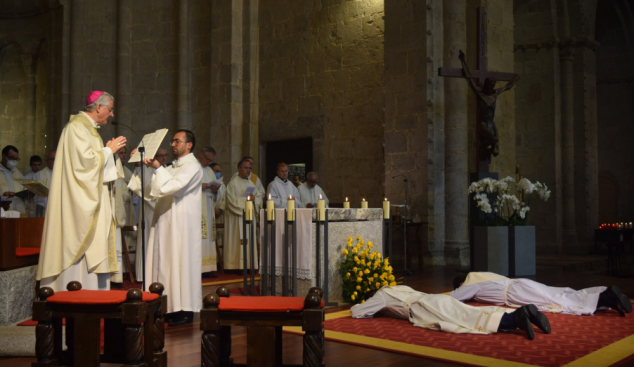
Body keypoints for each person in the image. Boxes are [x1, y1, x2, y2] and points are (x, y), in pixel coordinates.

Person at [37, 91, 127, 292]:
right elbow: (84, 164)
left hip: (93, 198)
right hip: (78, 203)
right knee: (78, 243)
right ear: (98, 107)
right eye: (110, 110)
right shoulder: (77, 128)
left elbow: (95, 163)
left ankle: (93, 294)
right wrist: (108, 151)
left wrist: (108, 153)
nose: (111, 115)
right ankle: (75, 294)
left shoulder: (90, 130)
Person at [131, 130, 202, 326]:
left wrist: (157, 168)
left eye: (177, 141)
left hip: (181, 226)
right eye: (172, 141)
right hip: (165, 221)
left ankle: (184, 309)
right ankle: (166, 305)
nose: (173, 144)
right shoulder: (172, 166)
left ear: (189, 145)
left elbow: (173, 187)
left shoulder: (193, 166)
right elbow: (153, 191)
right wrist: (142, 166)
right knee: (165, 263)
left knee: (180, 263)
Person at [351, 285, 551, 340]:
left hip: (423, 308)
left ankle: (515, 319)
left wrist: (368, 305)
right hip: (436, 298)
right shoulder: (398, 287)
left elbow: (358, 312)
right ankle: (522, 312)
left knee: (467, 320)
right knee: (468, 312)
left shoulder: (382, 295)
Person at [450, 272, 633, 316]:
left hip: (516, 292)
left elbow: (455, 297)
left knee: (555, 301)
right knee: (560, 293)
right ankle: (605, 298)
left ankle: (604, 297)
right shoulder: (482, 277)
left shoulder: (470, 282)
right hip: (520, 283)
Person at [224, 158, 263, 271]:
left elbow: (259, 196)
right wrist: (246, 200)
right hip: (237, 218)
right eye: (246, 168)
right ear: (239, 169)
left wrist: (254, 199)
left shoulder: (251, 183)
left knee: (249, 240)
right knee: (239, 241)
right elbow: (230, 201)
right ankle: (236, 266)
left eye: (250, 168)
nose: (248, 170)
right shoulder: (233, 183)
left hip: (249, 217)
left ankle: (249, 265)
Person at [198, 146, 217, 277]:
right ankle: (199, 268)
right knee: (200, 236)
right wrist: (199, 186)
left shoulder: (210, 170)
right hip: (198, 207)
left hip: (209, 205)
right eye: (208, 159)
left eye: (211, 160)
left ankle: (209, 267)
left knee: (209, 237)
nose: (209, 163)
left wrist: (216, 189)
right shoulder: (193, 167)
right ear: (201, 155)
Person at [0, 145, 25, 213]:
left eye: (16, 159)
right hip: (3, 212)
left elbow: (24, 191)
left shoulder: (18, 173)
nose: (14, 161)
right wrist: (3, 197)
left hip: (18, 212)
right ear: (3, 156)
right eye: (11, 158)